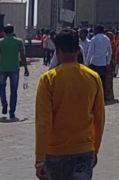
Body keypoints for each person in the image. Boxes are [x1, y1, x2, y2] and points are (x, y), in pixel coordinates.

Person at [35, 29, 105, 180]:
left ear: (57, 51)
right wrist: (95, 149)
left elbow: (43, 122)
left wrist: (40, 158)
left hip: (55, 151)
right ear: (78, 50)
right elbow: (99, 118)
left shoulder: (48, 80)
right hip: (84, 149)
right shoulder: (93, 77)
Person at [0, 24, 29, 120]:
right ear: (13, 31)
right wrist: (25, 68)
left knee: (1, 87)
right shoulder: (19, 41)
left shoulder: (0, 42)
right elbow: (22, 56)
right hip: (14, 68)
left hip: (2, 68)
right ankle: (12, 111)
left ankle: (4, 103)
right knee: (14, 91)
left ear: (4, 32)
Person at [85, 26, 112, 100]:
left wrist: (87, 63)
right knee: (102, 81)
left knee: (93, 81)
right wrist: (108, 62)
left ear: (97, 30)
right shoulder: (107, 39)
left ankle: (94, 96)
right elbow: (110, 52)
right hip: (103, 63)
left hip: (94, 62)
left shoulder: (94, 39)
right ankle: (102, 96)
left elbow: (90, 52)